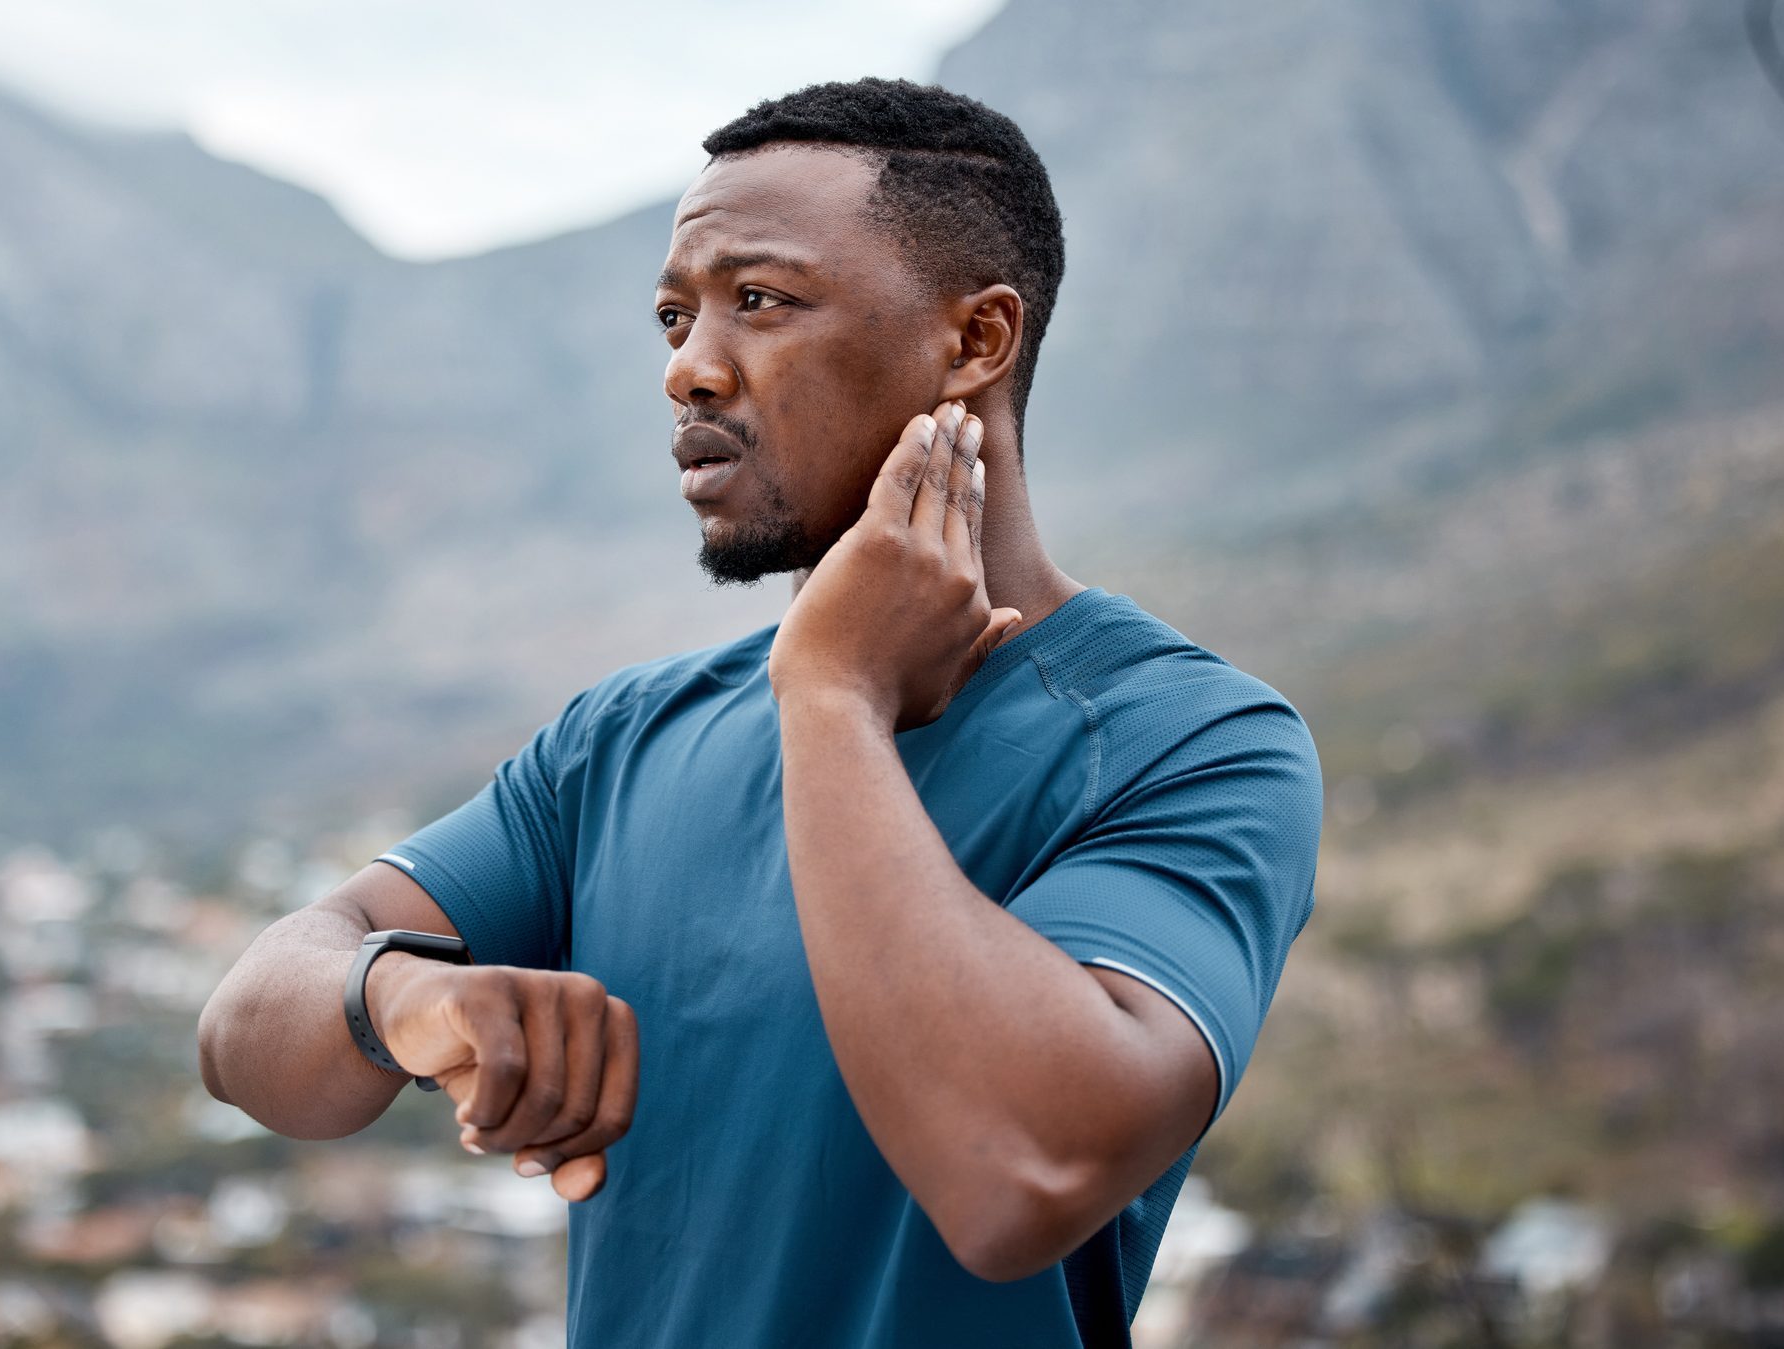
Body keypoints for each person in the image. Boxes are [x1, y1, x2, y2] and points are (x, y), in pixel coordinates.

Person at [198, 77, 1322, 1348]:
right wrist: (400, 999)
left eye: (761, 301)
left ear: (974, 342)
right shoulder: (620, 740)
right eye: (674, 316)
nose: (687, 367)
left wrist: (832, 694)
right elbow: (247, 1030)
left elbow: (1023, 1175)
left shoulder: (1189, 741)